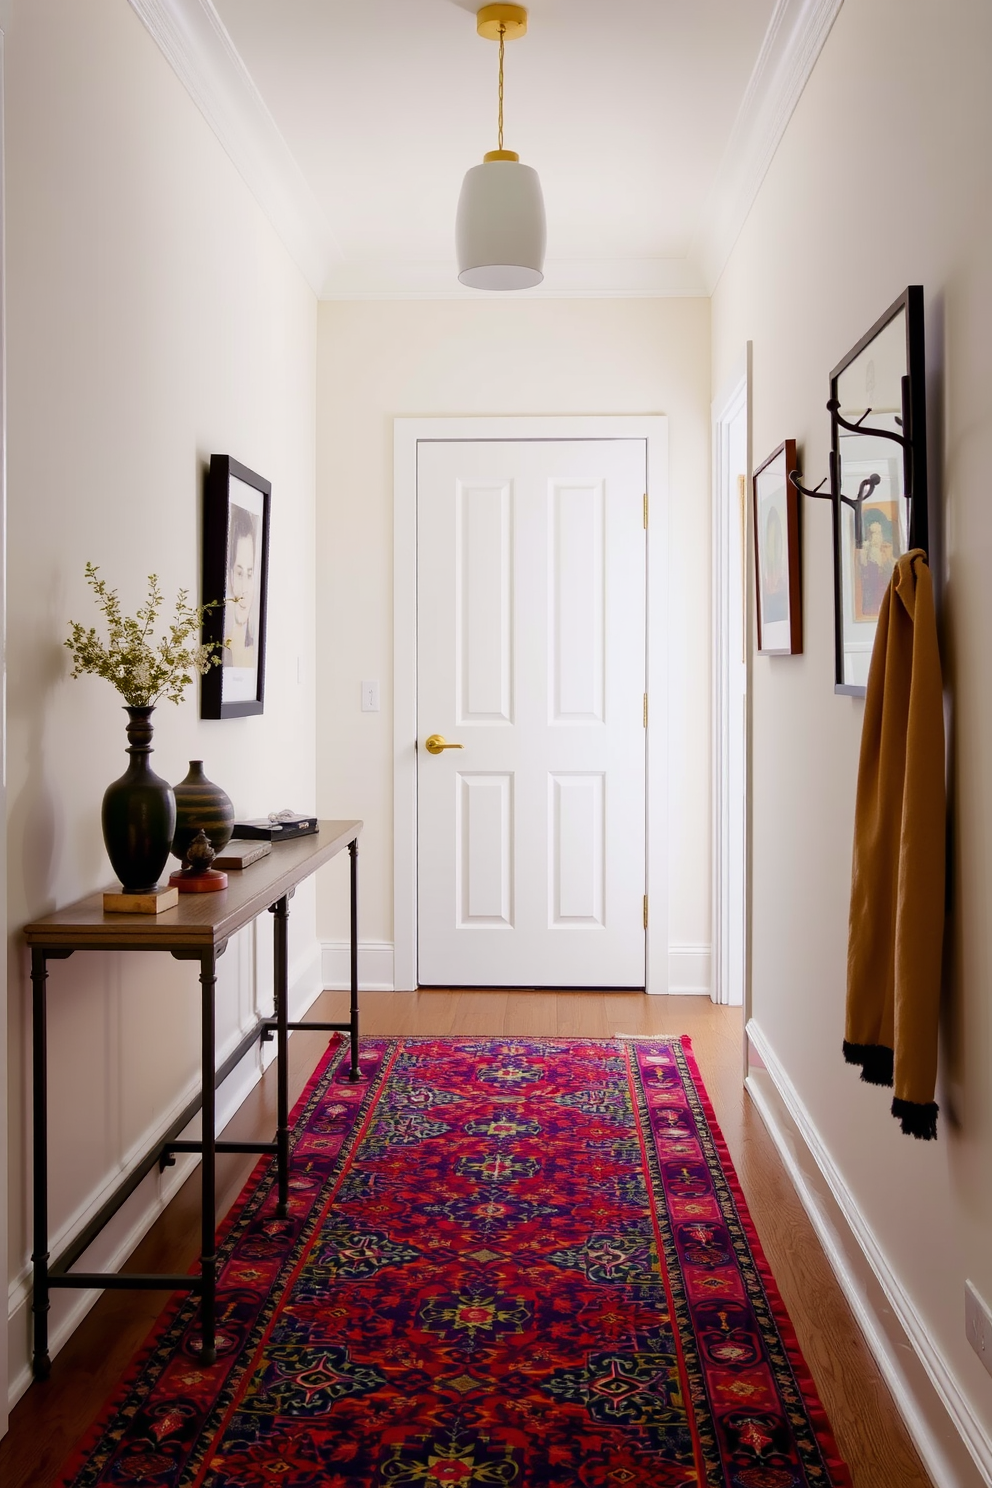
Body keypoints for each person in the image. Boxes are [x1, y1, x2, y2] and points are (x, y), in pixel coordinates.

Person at [224, 505, 257, 667]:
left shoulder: (254, 656)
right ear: (230, 576)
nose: (244, 588)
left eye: (249, 575)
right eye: (239, 574)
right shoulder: (222, 652)